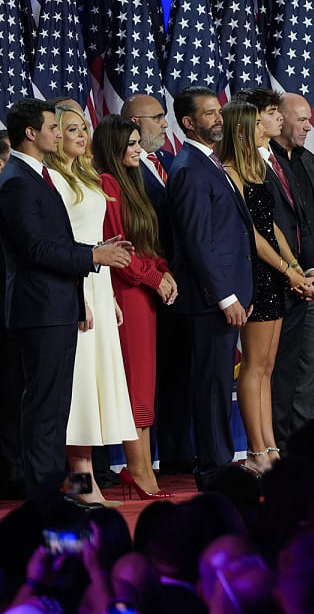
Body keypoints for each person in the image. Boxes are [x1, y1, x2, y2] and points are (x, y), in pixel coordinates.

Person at [0, 100, 130, 495]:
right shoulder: (18, 181)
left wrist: (93, 251)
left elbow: (55, 242)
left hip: (56, 304)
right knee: (44, 408)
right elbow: (36, 249)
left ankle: (61, 491)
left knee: (57, 409)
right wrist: (94, 255)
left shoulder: (37, 176)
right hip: (38, 309)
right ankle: (43, 496)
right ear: (30, 134)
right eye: (52, 128)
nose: (59, 133)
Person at [220, 99, 314, 474]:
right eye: (260, 121)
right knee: (253, 367)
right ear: (245, 128)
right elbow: (252, 235)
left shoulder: (256, 167)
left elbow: (271, 226)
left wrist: (295, 267)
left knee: (268, 366)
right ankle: (255, 451)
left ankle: (270, 447)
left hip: (274, 275)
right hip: (254, 275)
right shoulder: (230, 171)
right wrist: (289, 272)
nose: (268, 123)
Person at [45, 104, 138, 505]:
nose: (80, 135)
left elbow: (97, 240)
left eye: (83, 128)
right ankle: (81, 487)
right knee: (78, 392)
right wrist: (82, 296)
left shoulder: (87, 175)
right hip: (75, 290)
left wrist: (109, 295)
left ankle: (88, 485)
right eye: (70, 129)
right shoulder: (52, 180)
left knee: (95, 386)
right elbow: (64, 246)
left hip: (98, 289)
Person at [167, 86, 255, 488]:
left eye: (219, 112)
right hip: (207, 302)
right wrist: (226, 296)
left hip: (223, 297)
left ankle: (217, 462)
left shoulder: (209, 163)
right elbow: (197, 241)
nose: (219, 118)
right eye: (210, 114)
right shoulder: (188, 168)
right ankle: (213, 470)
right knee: (211, 387)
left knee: (219, 384)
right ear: (188, 123)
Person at [92, 115, 178, 500]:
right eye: (129, 144)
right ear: (112, 148)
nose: (137, 149)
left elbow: (145, 242)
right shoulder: (107, 184)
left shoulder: (133, 183)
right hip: (126, 296)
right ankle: (138, 472)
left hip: (145, 296)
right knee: (134, 390)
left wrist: (164, 271)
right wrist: (152, 277)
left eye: (137, 142)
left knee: (144, 388)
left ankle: (142, 470)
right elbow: (119, 251)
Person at [123, 92, 191, 474]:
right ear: (134, 123)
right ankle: (141, 463)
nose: (166, 124)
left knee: (180, 370)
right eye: (158, 117)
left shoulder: (167, 160)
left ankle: (178, 454)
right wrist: (156, 274)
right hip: (143, 287)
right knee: (149, 376)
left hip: (179, 283)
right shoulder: (120, 171)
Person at [270, 94, 314, 447]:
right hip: (283, 280)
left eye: (310, 119)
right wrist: (295, 272)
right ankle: (280, 440)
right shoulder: (263, 164)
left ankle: (304, 437)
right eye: (301, 120)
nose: (309, 126)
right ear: (279, 120)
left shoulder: (309, 159)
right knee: (282, 366)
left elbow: (313, 222)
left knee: (310, 361)